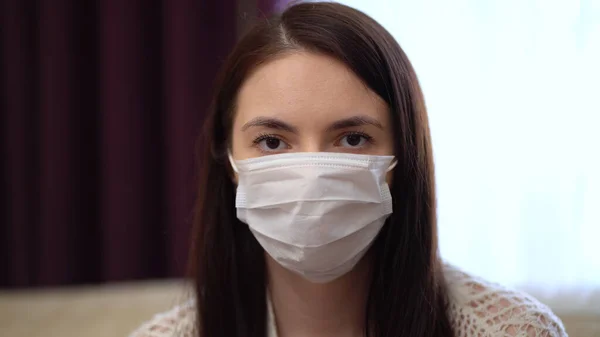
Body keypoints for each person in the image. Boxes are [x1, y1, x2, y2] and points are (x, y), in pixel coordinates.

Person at [129, 2, 567, 337]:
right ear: (228, 162)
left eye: (353, 138)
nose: (310, 176)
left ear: (403, 159)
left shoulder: (513, 330)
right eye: (273, 142)